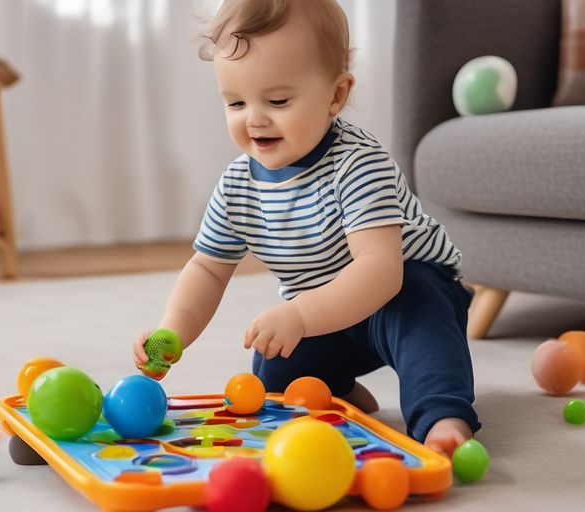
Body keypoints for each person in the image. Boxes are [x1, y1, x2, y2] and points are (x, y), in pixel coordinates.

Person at [133, 0, 479, 455]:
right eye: (236, 102)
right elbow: (208, 270)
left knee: (417, 312)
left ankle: (443, 415)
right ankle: (338, 394)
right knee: (273, 372)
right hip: (324, 310)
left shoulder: (358, 164)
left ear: (335, 95)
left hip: (401, 289)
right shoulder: (239, 184)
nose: (254, 117)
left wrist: (298, 315)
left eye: (278, 101)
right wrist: (173, 331)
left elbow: (380, 270)